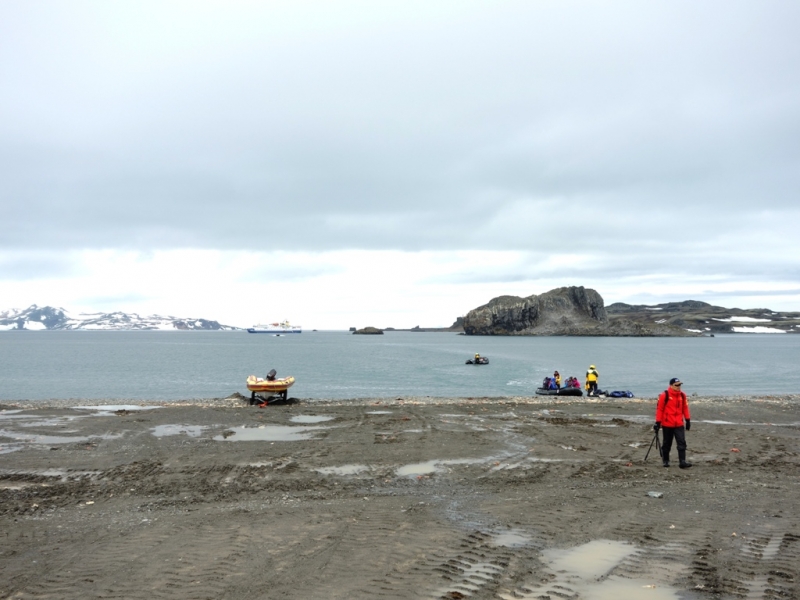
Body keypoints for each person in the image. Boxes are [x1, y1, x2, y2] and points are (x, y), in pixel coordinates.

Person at [654, 378, 692, 468]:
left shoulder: (682, 395)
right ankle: (666, 461)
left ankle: (682, 462)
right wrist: (658, 422)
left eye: (680, 385)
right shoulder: (664, 395)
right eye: (677, 385)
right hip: (667, 424)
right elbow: (660, 409)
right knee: (667, 443)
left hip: (679, 424)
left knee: (682, 442)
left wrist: (688, 420)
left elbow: (685, 408)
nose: (679, 387)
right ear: (671, 385)